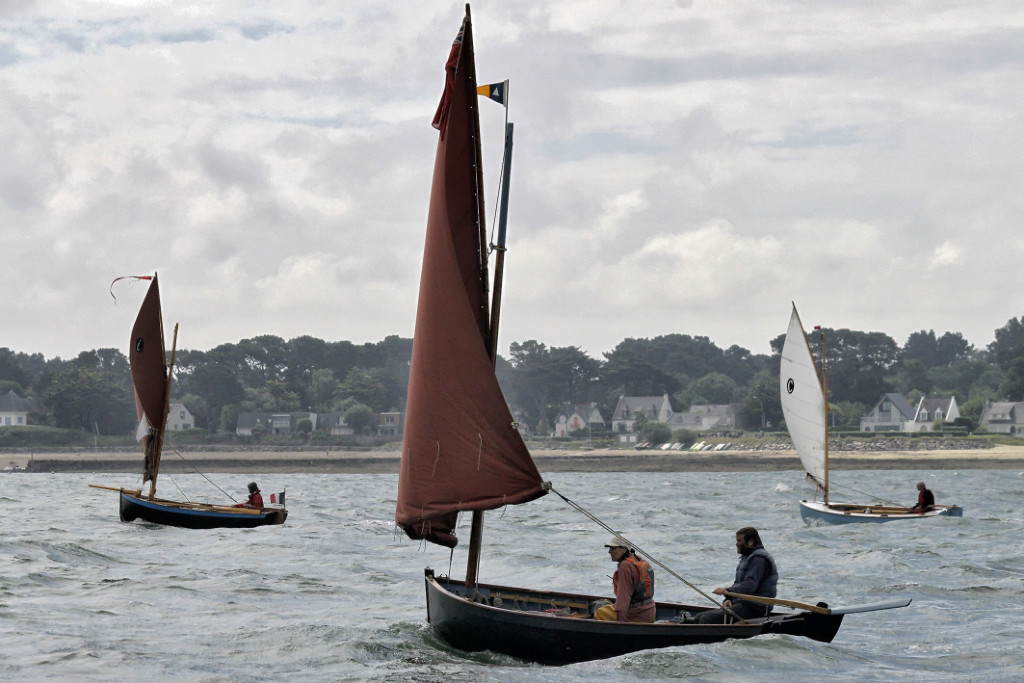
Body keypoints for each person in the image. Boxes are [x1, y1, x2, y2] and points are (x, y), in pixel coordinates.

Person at [693, 527, 778, 624]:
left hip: (755, 608)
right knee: (698, 617)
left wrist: (727, 591)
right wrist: (729, 598)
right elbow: (738, 583)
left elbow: (750, 585)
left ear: (750, 542)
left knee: (705, 619)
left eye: (739, 540)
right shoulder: (747, 558)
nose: (736, 543)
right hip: (743, 605)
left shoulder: (758, 560)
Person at [594, 536, 656, 623]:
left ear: (624, 550)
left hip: (636, 615)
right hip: (649, 612)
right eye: (609, 548)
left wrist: (621, 622)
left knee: (599, 612)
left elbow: (624, 597)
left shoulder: (625, 566)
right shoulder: (636, 559)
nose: (609, 552)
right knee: (607, 607)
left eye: (613, 548)